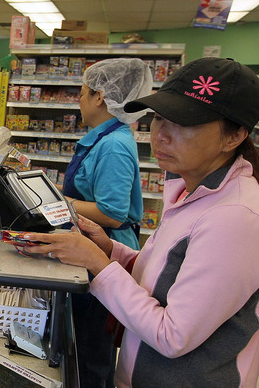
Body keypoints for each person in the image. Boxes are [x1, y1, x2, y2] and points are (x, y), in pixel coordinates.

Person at [25, 57, 259, 387]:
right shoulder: (193, 193)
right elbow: (168, 277)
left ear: (233, 137)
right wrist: (111, 250)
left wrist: (97, 263)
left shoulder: (235, 218)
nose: (160, 134)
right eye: (159, 118)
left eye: (184, 122)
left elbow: (172, 335)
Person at [60, 58, 152, 387]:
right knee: (83, 344)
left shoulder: (113, 146)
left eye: (83, 93)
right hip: (93, 250)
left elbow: (112, 211)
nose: (79, 100)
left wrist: (62, 203)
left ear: (100, 97)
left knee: (93, 349)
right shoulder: (102, 138)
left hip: (105, 256)